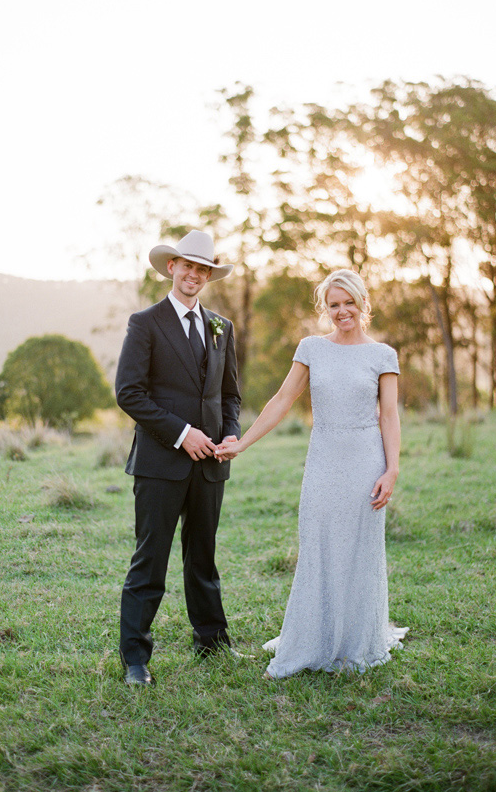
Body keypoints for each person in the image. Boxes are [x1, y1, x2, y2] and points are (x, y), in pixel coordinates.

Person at [216, 269, 408, 679]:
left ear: (362, 303)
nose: (342, 312)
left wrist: (392, 470)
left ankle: (355, 640)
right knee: (318, 543)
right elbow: (282, 400)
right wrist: (243, 442)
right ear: (326, 309)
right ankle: (311, 639)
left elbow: (389, 416)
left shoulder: (382, 356)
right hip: (323, 458)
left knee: (359, 549)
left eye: (348, 302)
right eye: (334, 304)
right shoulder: (311, 349)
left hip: (365, 461)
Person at [115, 230, 241, 687]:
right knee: (151, 560)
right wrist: (182, 434)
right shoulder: (145, 323)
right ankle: (135, 660)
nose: (194, 274)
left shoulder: (222, 326)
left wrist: (231, 437)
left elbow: (230, 395)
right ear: (171, 268)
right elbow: (128, 393)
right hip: (159, 463)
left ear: (208, 275)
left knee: (203, 556)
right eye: (187, 265)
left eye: (202, 268)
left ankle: (211, 641)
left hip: (211, 465)